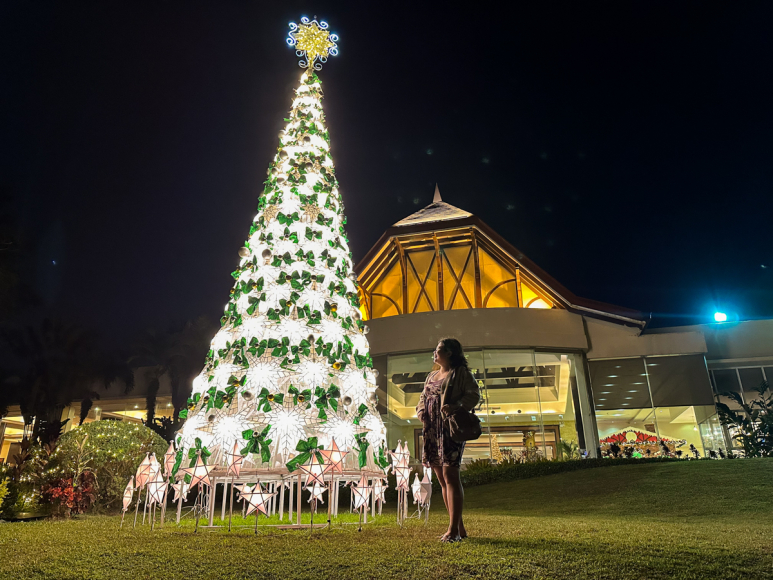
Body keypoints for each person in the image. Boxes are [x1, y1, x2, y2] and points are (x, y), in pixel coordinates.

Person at [416, 338, 480, 542]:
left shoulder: (460, 373)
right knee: (442, 479)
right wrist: (420, 412)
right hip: (431, 430)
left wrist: (455, 406)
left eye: (438, 350)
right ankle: (458, 527)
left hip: (449, 429)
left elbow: (474, 396)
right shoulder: (431, 375)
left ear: (450, 353)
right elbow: (422, 399)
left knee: (450, 475)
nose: (434, 353)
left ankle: (452, 530)